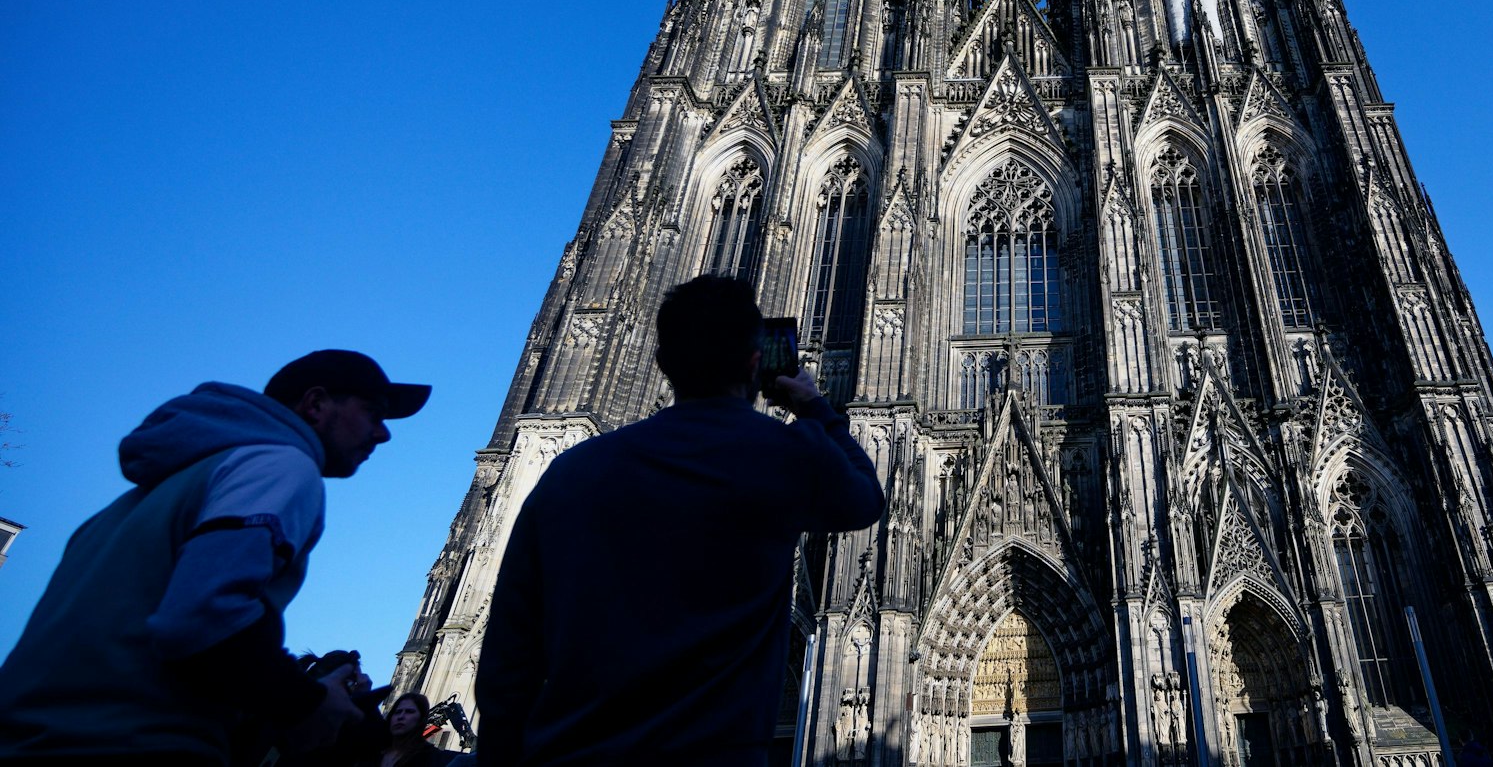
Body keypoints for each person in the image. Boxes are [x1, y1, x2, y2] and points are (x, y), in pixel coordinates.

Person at [476, 274, 887, 766]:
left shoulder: (569, 472)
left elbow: (506, 661)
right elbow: (866, 497)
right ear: (756, 364)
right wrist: (813, 407)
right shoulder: (783, 455)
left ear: (661, 363)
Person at [0, 350, 430, 765]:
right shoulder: (282, 466)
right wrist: (308, 702)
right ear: (316, 403)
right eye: (373, 412)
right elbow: (202, 617)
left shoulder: (149, 495)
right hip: (132, 740)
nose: (383, 433)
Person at [380, 692, 458, 767]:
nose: (401, 716)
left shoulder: (431, 757)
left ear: (421, 719)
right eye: (397, 712)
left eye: (409, 712)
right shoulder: (374, 752)